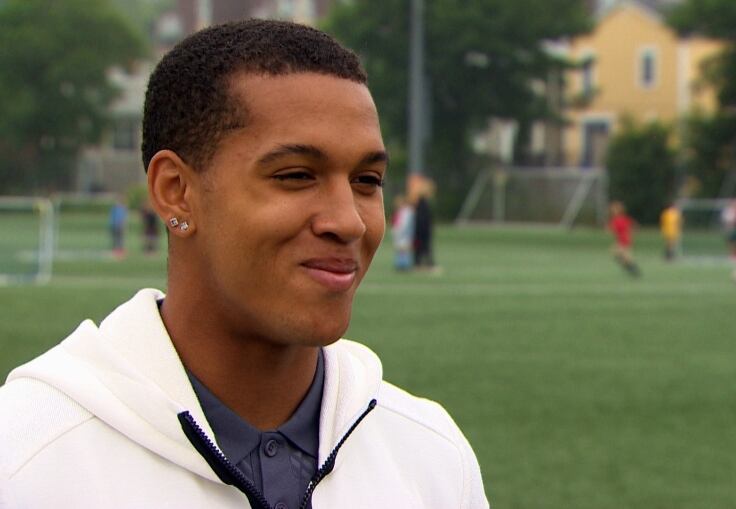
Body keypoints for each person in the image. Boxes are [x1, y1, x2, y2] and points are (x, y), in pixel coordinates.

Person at [0, 20, 488, 509]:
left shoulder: (431, 457)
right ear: (176, 191)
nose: (349, 222)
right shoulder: (25, 461)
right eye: (296, 175)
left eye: (366, 180)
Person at [608, 200, 640, 277]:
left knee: (622, 255)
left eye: (614, 209)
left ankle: (633, 270)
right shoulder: (617, 219)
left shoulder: (620, 219)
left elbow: (634, 226)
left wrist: (632, 232)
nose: (612, 211)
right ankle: (631, 269)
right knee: (619, 254)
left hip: (624, 239)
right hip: (622, 239)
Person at [391, 194, 415, 271]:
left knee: (404, 250)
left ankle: (404, 265)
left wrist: (398, 231)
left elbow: (404, 224)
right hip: (401, 234)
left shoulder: (407, 212)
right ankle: (401, 264)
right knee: (401, 250)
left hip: (404, 234)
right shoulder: (401, 211)